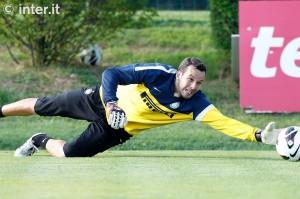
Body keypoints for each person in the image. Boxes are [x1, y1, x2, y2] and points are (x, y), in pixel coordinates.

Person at [0, 57, 280, 158]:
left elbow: (225, 123)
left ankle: (39, 139)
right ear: (179, 73)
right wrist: (110, 103)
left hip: (118, 130)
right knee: (42, 105)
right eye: (190, 79)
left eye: (199, 82)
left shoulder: (196, 104)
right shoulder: (158, 72)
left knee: (69, 154)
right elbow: (111, 74)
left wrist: (256, 135)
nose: (193, 86)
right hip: (99, 100)